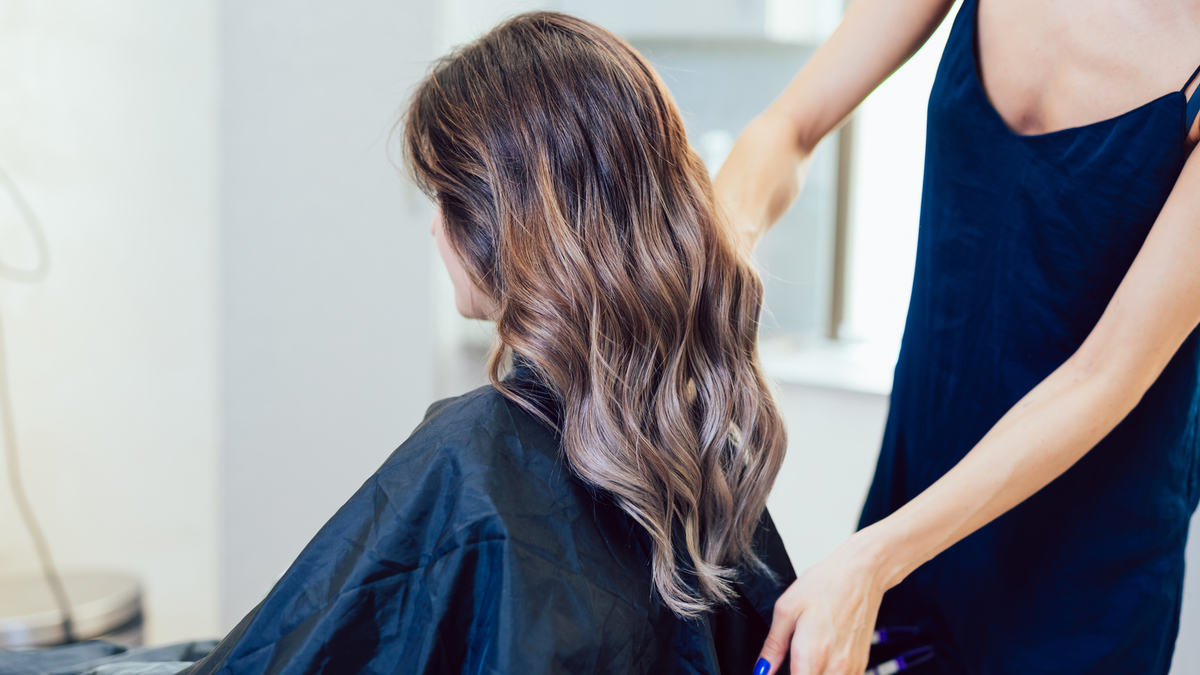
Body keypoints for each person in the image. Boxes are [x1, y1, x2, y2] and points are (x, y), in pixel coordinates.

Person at [178, 12, 794, 675]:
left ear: (489, 223)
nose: (434, 231)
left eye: (441, 196)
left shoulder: (468, 457)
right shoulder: (702, 444)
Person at [719, 0, 1200, 672]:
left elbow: (1108, 371)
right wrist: (702, 274)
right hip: (915, 502)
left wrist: (876, 558)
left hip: (1078, 580)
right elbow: (790, 126)